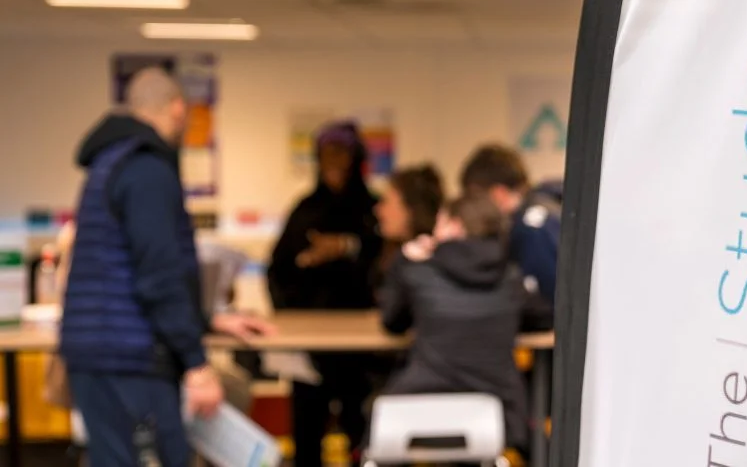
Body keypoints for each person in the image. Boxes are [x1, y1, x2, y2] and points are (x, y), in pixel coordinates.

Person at [60, 67, 272, 467]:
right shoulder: (148, 169)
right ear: (178, 109)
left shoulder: (108, 162)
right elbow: (158, 274)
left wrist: (204, 320)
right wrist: (196, 364)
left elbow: (123, 266)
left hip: (95, 352)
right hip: (132, 357)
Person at [378, 194, 553, 453]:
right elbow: (546, 317)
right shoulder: (510, 279)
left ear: (455, 226)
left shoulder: (419, 272)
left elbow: (392, 321)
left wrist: (403, 259)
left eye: (439, 223)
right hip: (498, 414)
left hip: (418, 408)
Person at [267, 120, 384, 467]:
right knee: (307, 435)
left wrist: (347, 247)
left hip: (362, 348)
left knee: (361, 434)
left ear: (355, 158)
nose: (333, 161)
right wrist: (288, 324)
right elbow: (277, 270)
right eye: (326, 154)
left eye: (341, 153)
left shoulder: (373, 210)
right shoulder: (304, 209)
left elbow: (385, 262)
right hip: (309, 346)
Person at [460, 144, 562, 305]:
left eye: (477, 199)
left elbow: (551, 303)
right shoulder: (552, 205)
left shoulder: (529, 232)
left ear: (498, 194)